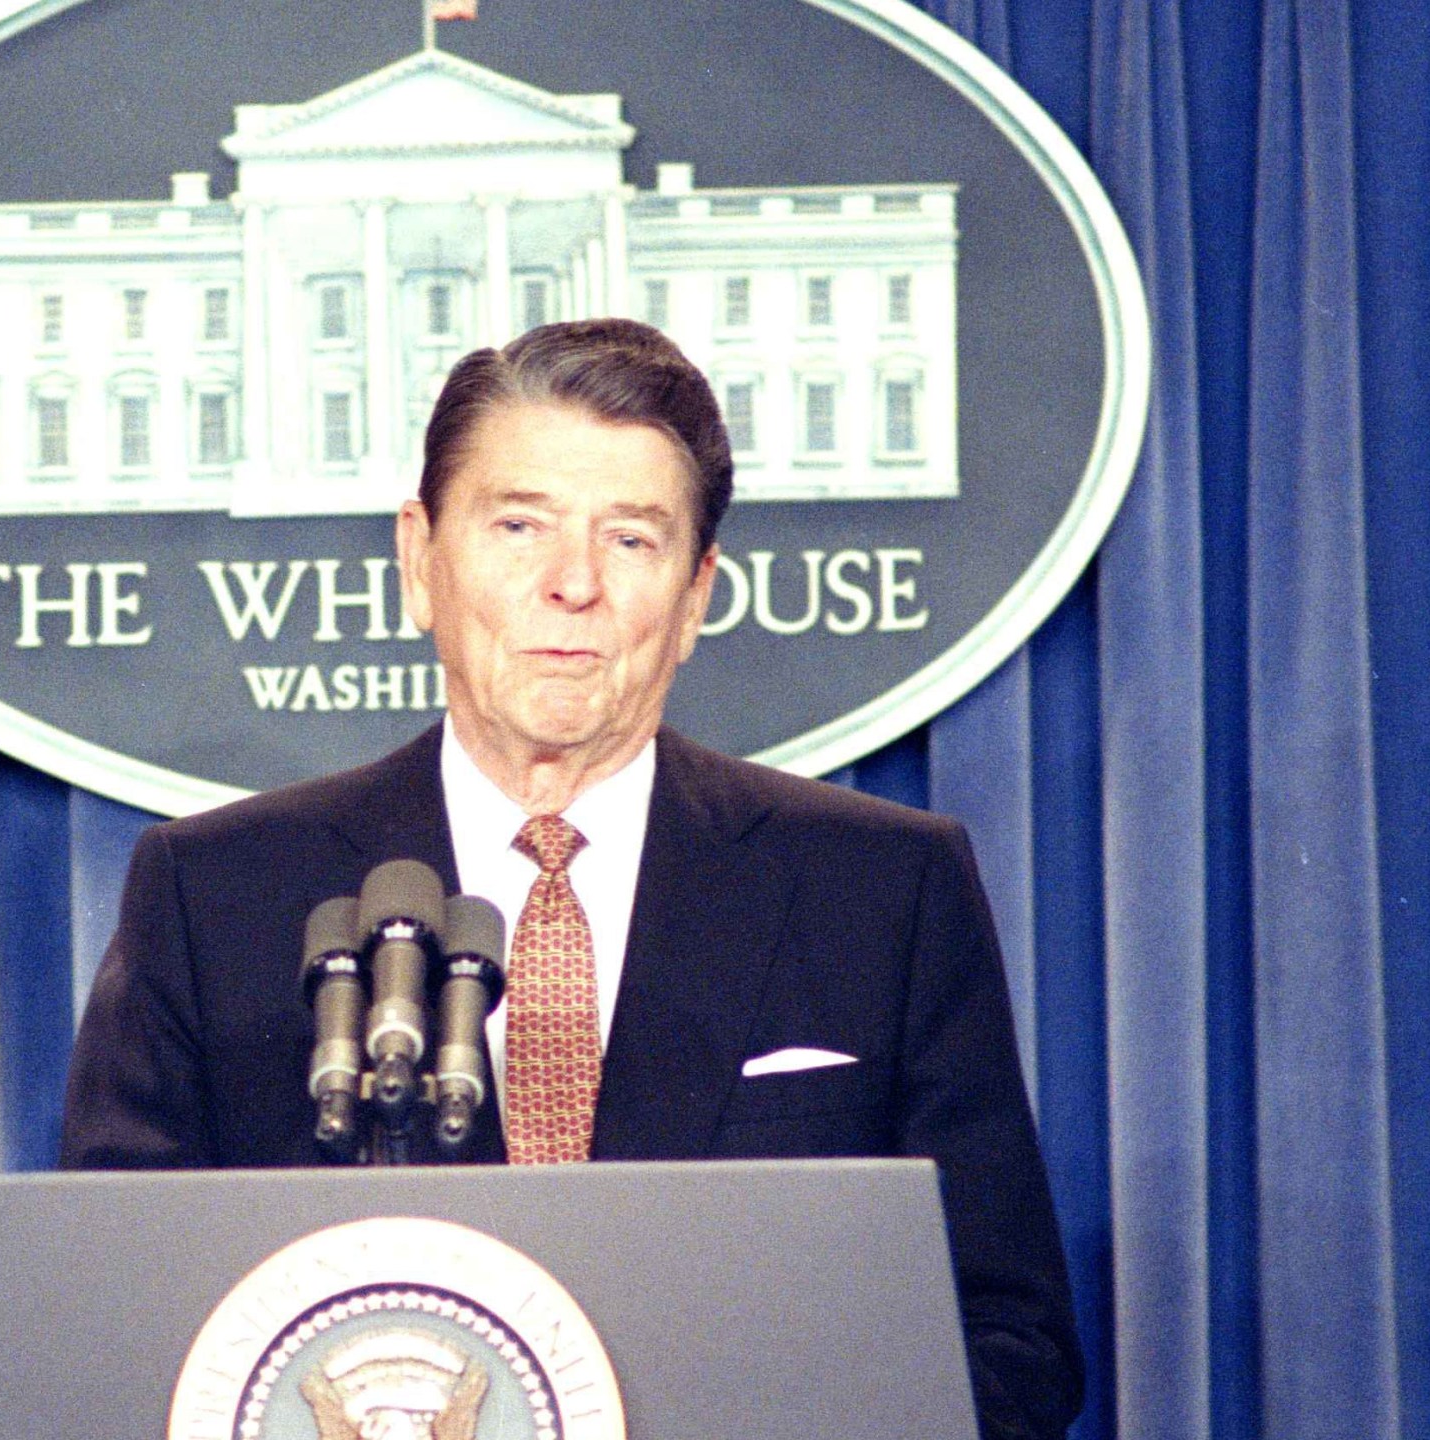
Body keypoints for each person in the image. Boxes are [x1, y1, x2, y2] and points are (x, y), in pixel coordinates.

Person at [60, 319, 1082, 1439]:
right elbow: (120, 1330)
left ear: (694, 598)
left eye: (631, 541)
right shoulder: (216, 897)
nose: (572, 584)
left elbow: (1003, 1346)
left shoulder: (883, 890)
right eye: (517, 526)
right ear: (418, 562)